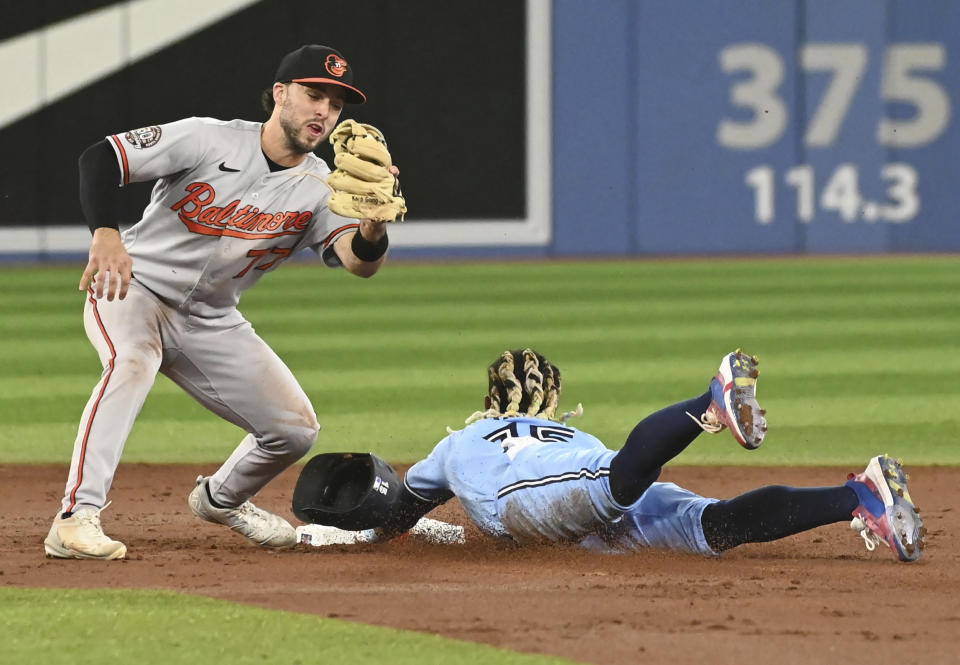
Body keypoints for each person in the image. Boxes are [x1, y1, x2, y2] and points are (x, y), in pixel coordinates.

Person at [44, 44, 399, 560]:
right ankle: (75, 519)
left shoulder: (323, 187)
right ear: (280, 94)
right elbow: (100, 156)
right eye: (313, 94)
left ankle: (222, 499)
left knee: (295, 430)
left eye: (336, 104)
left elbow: (359, 262)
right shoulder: (207, 137)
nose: (324, 111)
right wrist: (105, 233)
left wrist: (373, 224)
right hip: (134, 289)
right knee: (132, 363)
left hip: (211, 318)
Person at [294, 348, 926, 563]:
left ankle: (710, 403)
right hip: (591, 502)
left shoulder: (459, 442)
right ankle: (862, 493)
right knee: (716, 524)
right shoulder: (571, 434)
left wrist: (361, 529)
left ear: (489, 397)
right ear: (552, 396)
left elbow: (404, 508)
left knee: (616, 483)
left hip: (537, 500)